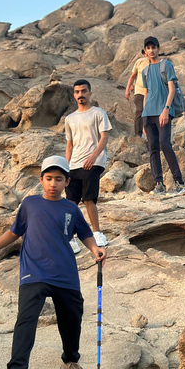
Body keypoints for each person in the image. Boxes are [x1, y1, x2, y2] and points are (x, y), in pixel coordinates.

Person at [0, 155, 106, 369]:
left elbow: (85, 234)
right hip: (35, 272)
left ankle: (71, 361)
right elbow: (13, 232)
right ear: (41, 180)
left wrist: (95, 249)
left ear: (67, 182)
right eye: (49, 178)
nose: (54, 184)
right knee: (27, 317)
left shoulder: (71, 210)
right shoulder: (30, 204)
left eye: (59, 179)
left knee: (72, 318)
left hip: (65, 274)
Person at [65, 79, 111, 251]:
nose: (80, 95)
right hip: (74, 164)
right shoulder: (69, 119)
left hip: (93, 162)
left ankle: (97, 233)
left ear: (90, 93)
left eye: (83, 91)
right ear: (74, 95)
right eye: (77, 92)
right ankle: (71, 239)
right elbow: (69, 145)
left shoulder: (98, 113)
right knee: (70, 203)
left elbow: (104, 138)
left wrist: (93, 157)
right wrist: (65, 167)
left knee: (89, 199)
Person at [140, 36, 185, 196]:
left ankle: (179, 182)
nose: (151, 50)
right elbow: (145, 93)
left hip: (163, 112)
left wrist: (166, 109)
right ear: (145, 51)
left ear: (158, 49)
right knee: (153, 148)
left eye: (153, 47)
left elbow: (172, 89)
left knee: (164, 143)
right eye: (148, 48)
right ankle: (159, 184)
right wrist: (143, 117)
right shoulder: (144, 71)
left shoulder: (166, 65)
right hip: (148, 114)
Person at [124, 47, 150, 137]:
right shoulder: (140, 62)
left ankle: (149, 132)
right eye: (145, 52)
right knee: (140, 110)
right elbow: (133, 76)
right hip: (140, 90)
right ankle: (138, 134)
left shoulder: (156, 63)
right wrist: (127, 89)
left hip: (152, 92)